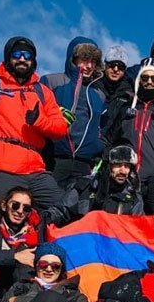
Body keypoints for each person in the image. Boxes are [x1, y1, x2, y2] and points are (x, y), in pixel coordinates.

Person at [0, 37, 69, 209]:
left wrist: (39, 121)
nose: (22, 59)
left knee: (64, 208)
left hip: (35, 169)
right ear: (8, 57)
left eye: (27, 55)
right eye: (17, 54)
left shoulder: (43, 92)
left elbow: (60, 128)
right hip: (1, 167)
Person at [43, 37, 108, 190]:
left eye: (93, 61)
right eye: (84, 60)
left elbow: (104, 127)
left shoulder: (99, 94)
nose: (89, 66)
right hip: (54, 158)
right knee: (51, 202)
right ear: (73, 58)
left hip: (84, 163)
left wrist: (98, 145)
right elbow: (38, 112)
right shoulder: (52, 82)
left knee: (80, 204)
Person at [0, 186, 47, 294]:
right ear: (4, 206)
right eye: (15, 205)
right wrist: (14, 256)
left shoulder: (36, 228)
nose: (20, 211)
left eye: (26, 208)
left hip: (23, 287)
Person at [68, 145, 145, 217]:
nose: (123, 171)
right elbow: (64, 211)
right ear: (109, 167)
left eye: (127, 166)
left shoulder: (134, 198)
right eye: (118, 165)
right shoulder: (86, 186)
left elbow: (136, 224)